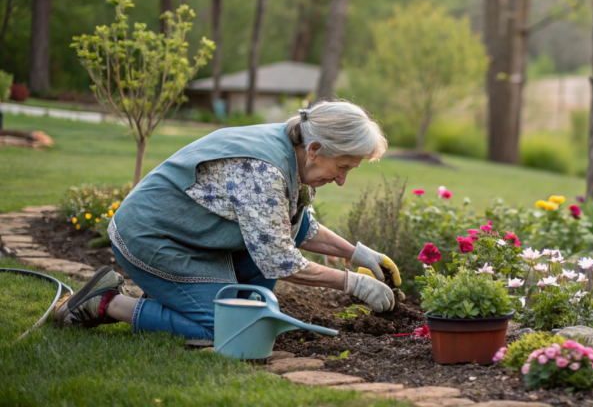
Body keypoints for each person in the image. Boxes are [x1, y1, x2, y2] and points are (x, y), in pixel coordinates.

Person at [53, 100, 401, 340]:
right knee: (229, 330)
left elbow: (293, 226)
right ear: (315, 150)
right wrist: (352, 283)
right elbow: (281, 260)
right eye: (342, 168)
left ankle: (182, 298)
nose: (341, 180)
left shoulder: (293, 146)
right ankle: (106, 303)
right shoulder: (263, 171)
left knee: (255, 314)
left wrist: (357, 253)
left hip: (195, 239)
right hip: (150, 239)